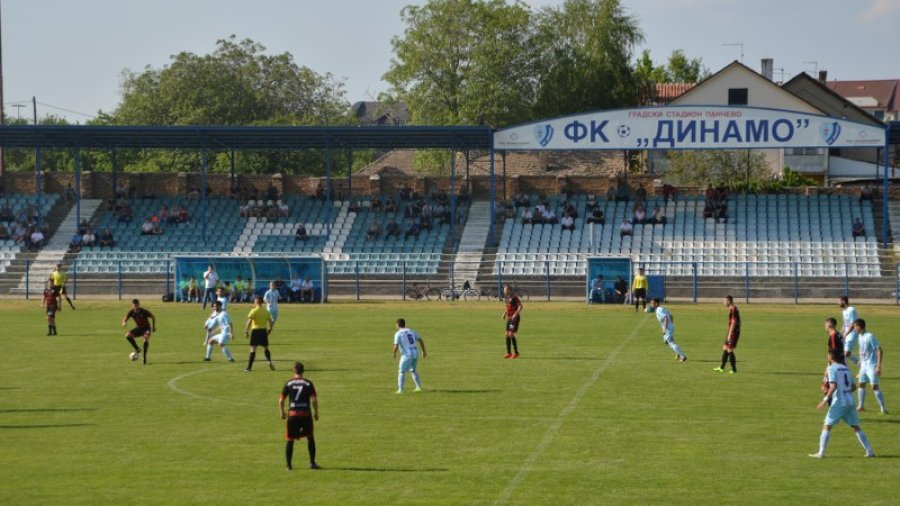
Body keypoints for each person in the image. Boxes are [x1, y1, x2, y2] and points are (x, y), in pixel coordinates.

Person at [809, 349, 875, 459]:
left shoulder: (831, 368)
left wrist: (824, 400)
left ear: (831, 357)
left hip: (839, 402)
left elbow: (833, 386)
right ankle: (870, 451)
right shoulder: (846, 369)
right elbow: (854, 386)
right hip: (850, 401)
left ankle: (821, 453)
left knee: (827, 426)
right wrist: (845, 391)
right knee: (856, 426)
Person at [279, 361, 320, 470]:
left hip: (293, 414)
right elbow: (314, 399)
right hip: (305, 414)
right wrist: (316, 412)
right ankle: (312, 463)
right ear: (303, 371)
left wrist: (282, 412)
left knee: (290, 440)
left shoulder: (289, 383)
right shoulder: (308, 383)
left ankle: (288, 466)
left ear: (293, 371)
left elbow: (281, 400)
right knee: (310, 437)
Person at [854, 319, 887, 414]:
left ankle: (883, 407)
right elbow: (863, 350)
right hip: (863, 366)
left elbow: (879, 350)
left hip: (871, 366)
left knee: (874, 386)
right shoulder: (860, 336)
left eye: (855, 326)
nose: (854, 328)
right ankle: (861, 406)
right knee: (861, 384)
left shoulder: (870, 336)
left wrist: (878, 366)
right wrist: (861, 360)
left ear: (859, 327)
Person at [392, 318, 427, 393]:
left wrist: (394, 353)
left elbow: (396, 345)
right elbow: (420, 340)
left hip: (407, 354)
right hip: (415, 353)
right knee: (412, 370)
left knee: (401, 371)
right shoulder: (411, 331)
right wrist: (424, 351)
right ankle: (418, 387)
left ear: (397, 325)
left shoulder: (398, 333)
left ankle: (400, 390)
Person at [649, 298, 687, 362]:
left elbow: (665, 318)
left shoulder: (658, 310)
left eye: (652, 303)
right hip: (670, 327)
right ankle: (678, 352)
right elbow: (671, 316)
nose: (651, 304)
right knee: (668, 342)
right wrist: (671, 324)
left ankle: (682, 356)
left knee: (670, 342)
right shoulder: (663, 308)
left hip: (667, 328)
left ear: (656, 303)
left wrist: (665, 328)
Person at [243, 295, 275, 372]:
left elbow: (249, 321)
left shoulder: (253, 311)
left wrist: (246, 332)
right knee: (266, 348)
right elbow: (271, 322)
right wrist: (269, 330)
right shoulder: (266, 311)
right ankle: (269, 361)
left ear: (256, 302)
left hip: (255, 331)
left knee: (253, 350)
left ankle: (249, 367)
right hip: (263, 331)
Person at [122, 299, 156, 365]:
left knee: (145, 339)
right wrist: (124, 323)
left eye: (137, 306)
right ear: (132, 306)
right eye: (134, 306)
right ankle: (137, 349)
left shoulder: (144, 311)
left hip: (146, 328)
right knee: (127, 336)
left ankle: (144, 357)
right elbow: (124, 319)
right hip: (139, 328)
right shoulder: (131, 312)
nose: (136, 307)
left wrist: (153, 326)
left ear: (139, 304)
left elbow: (153, 316)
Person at [713, 295, 741, 373]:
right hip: (731, 331)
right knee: (725, 347)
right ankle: (722, 368)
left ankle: (734, 369)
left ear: (728, 301)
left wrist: (730, 334)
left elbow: (734, 322)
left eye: (724, 301)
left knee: (729, 349)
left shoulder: (733, 309)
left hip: (733, 332)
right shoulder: (732, 309)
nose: (723, 302)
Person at [502, 285, 523, 359]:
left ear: (509, 290)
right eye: (504, 290)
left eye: (506, 290)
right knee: (507, 334)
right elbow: (508, 306)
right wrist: (504, 314)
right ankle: (509, 353)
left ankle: (516, 353)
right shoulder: (506, 298)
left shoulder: (514, 297)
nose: (504, 291)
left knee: (511, 334)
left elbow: (521, 306)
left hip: (515, 318)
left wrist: (515, 314)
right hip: (509, 317)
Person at [839, 296, 859, 365]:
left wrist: (846, 334)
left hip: (852, 333)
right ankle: (860, 365)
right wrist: (840, 333)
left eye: (840, 301)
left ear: (844, 301)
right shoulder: (844, 311)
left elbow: (853, 324)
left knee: (846, 353)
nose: (838, 303)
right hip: (847, 334)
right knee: (844, 353)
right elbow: (845, 324)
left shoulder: (851, 310)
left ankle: (861, 365)